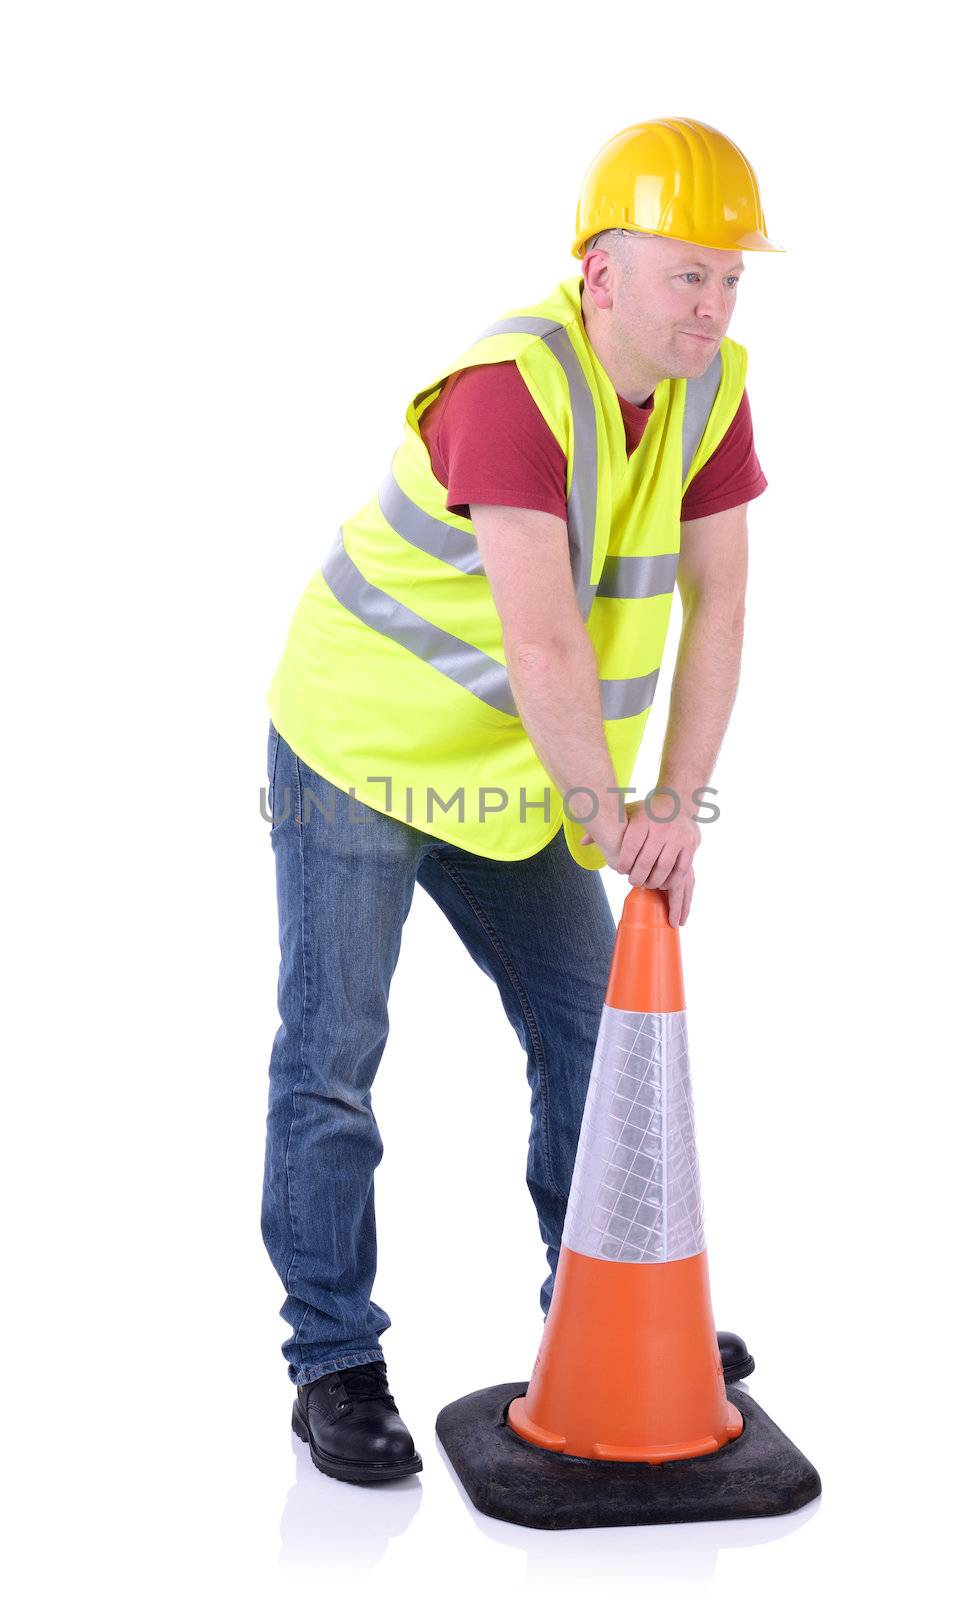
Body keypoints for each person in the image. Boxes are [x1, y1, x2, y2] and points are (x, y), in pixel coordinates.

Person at [261, 117, 782, 1486]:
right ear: (602, 273)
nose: (714, 307)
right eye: (689, 276)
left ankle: (603, 1308)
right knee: (333, 1053)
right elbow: (546, 642)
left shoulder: (715, 390)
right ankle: (334, 1361)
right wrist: (622, 826)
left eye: (732, 279)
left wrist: (676, 801)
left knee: (589, 1032)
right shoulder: (510, 389)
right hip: (361, 750)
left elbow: (725, 604)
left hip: (511, 772)